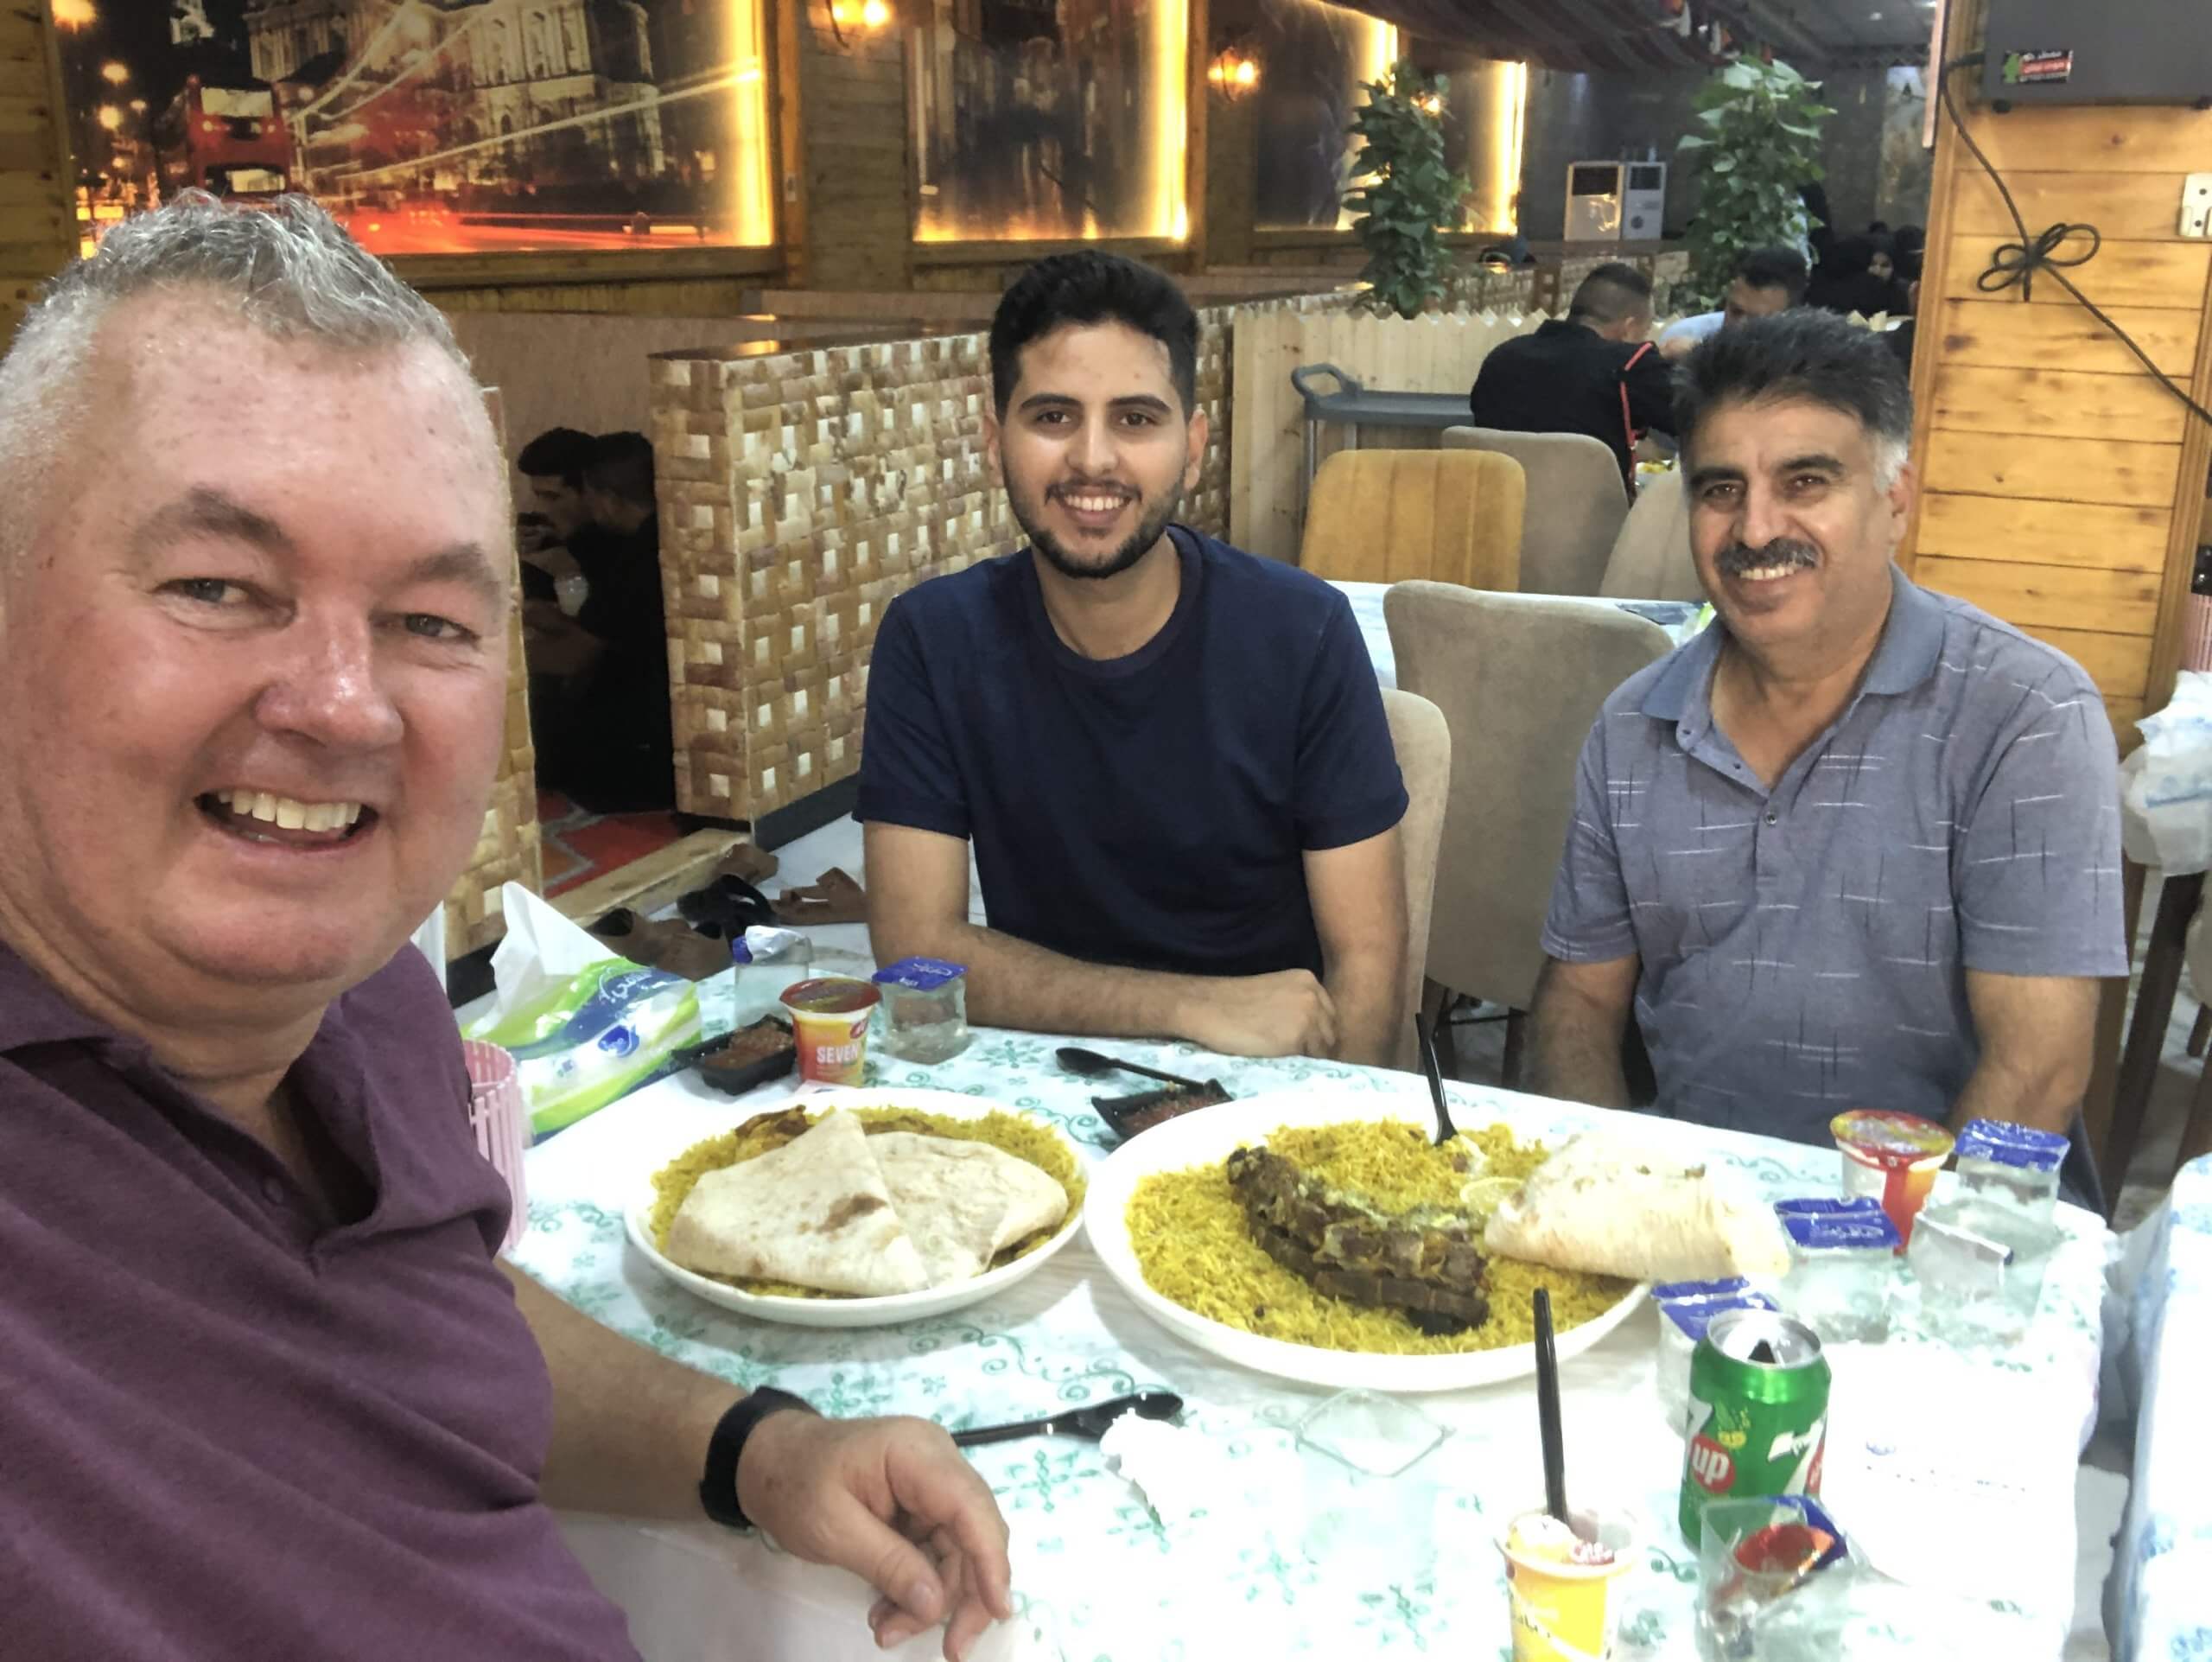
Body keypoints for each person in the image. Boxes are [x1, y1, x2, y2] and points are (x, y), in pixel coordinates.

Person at [0, 193, 1011, 1662]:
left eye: (430, 621)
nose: (344, 703)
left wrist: (750, 1446)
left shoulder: (365, 1002)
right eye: (220, 587)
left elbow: (432, 1320)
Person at [1529, 309, 2125, 1160]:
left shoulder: (2022, 715)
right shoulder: (1635, 724)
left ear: (1894, 503)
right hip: (1698, 1206)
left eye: (1805, 483)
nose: (1756, 528)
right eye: (1720, 488)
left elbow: (2036, 1073)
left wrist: (1880, 1273)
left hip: (1933, 1228)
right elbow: (1578, 1003)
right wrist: (1601, 1188)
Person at [859, 252, 1409, 1064]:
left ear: (1191, 448)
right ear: (992, 441)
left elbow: (1367, 965)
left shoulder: (1302, 633)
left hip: (1262, 1089)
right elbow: (914, 955)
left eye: (1135, 419)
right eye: (1052, 417)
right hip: (1051, 1073)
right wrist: (1183, 1005)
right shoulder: (932, 638)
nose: (1091, 459)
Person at [528, 430, 679, 812]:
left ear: (605, 499)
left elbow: (580, 654)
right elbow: (598, 629)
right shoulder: (668, 532)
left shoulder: (638, 556)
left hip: (652, 740)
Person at [1468, 261, 1675, 489]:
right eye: (1644, 332)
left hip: (1494, 515)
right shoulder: (1630, 365)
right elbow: (1698, 417)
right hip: (1594, 521)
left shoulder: (1501, 358)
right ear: (1629, 327)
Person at [1657, 245, 1809, 360]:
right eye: (1736, 312)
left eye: (1757, 321)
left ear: (1790, 317)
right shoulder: (1684, 335)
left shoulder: (1808, 358)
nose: (1740, 327)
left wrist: (1702, 356)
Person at [1806, 235, 1909, 319]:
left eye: (1885, 266)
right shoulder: (1860, 291)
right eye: (1872, 264)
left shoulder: (1900, 294)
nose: (1877, 271)